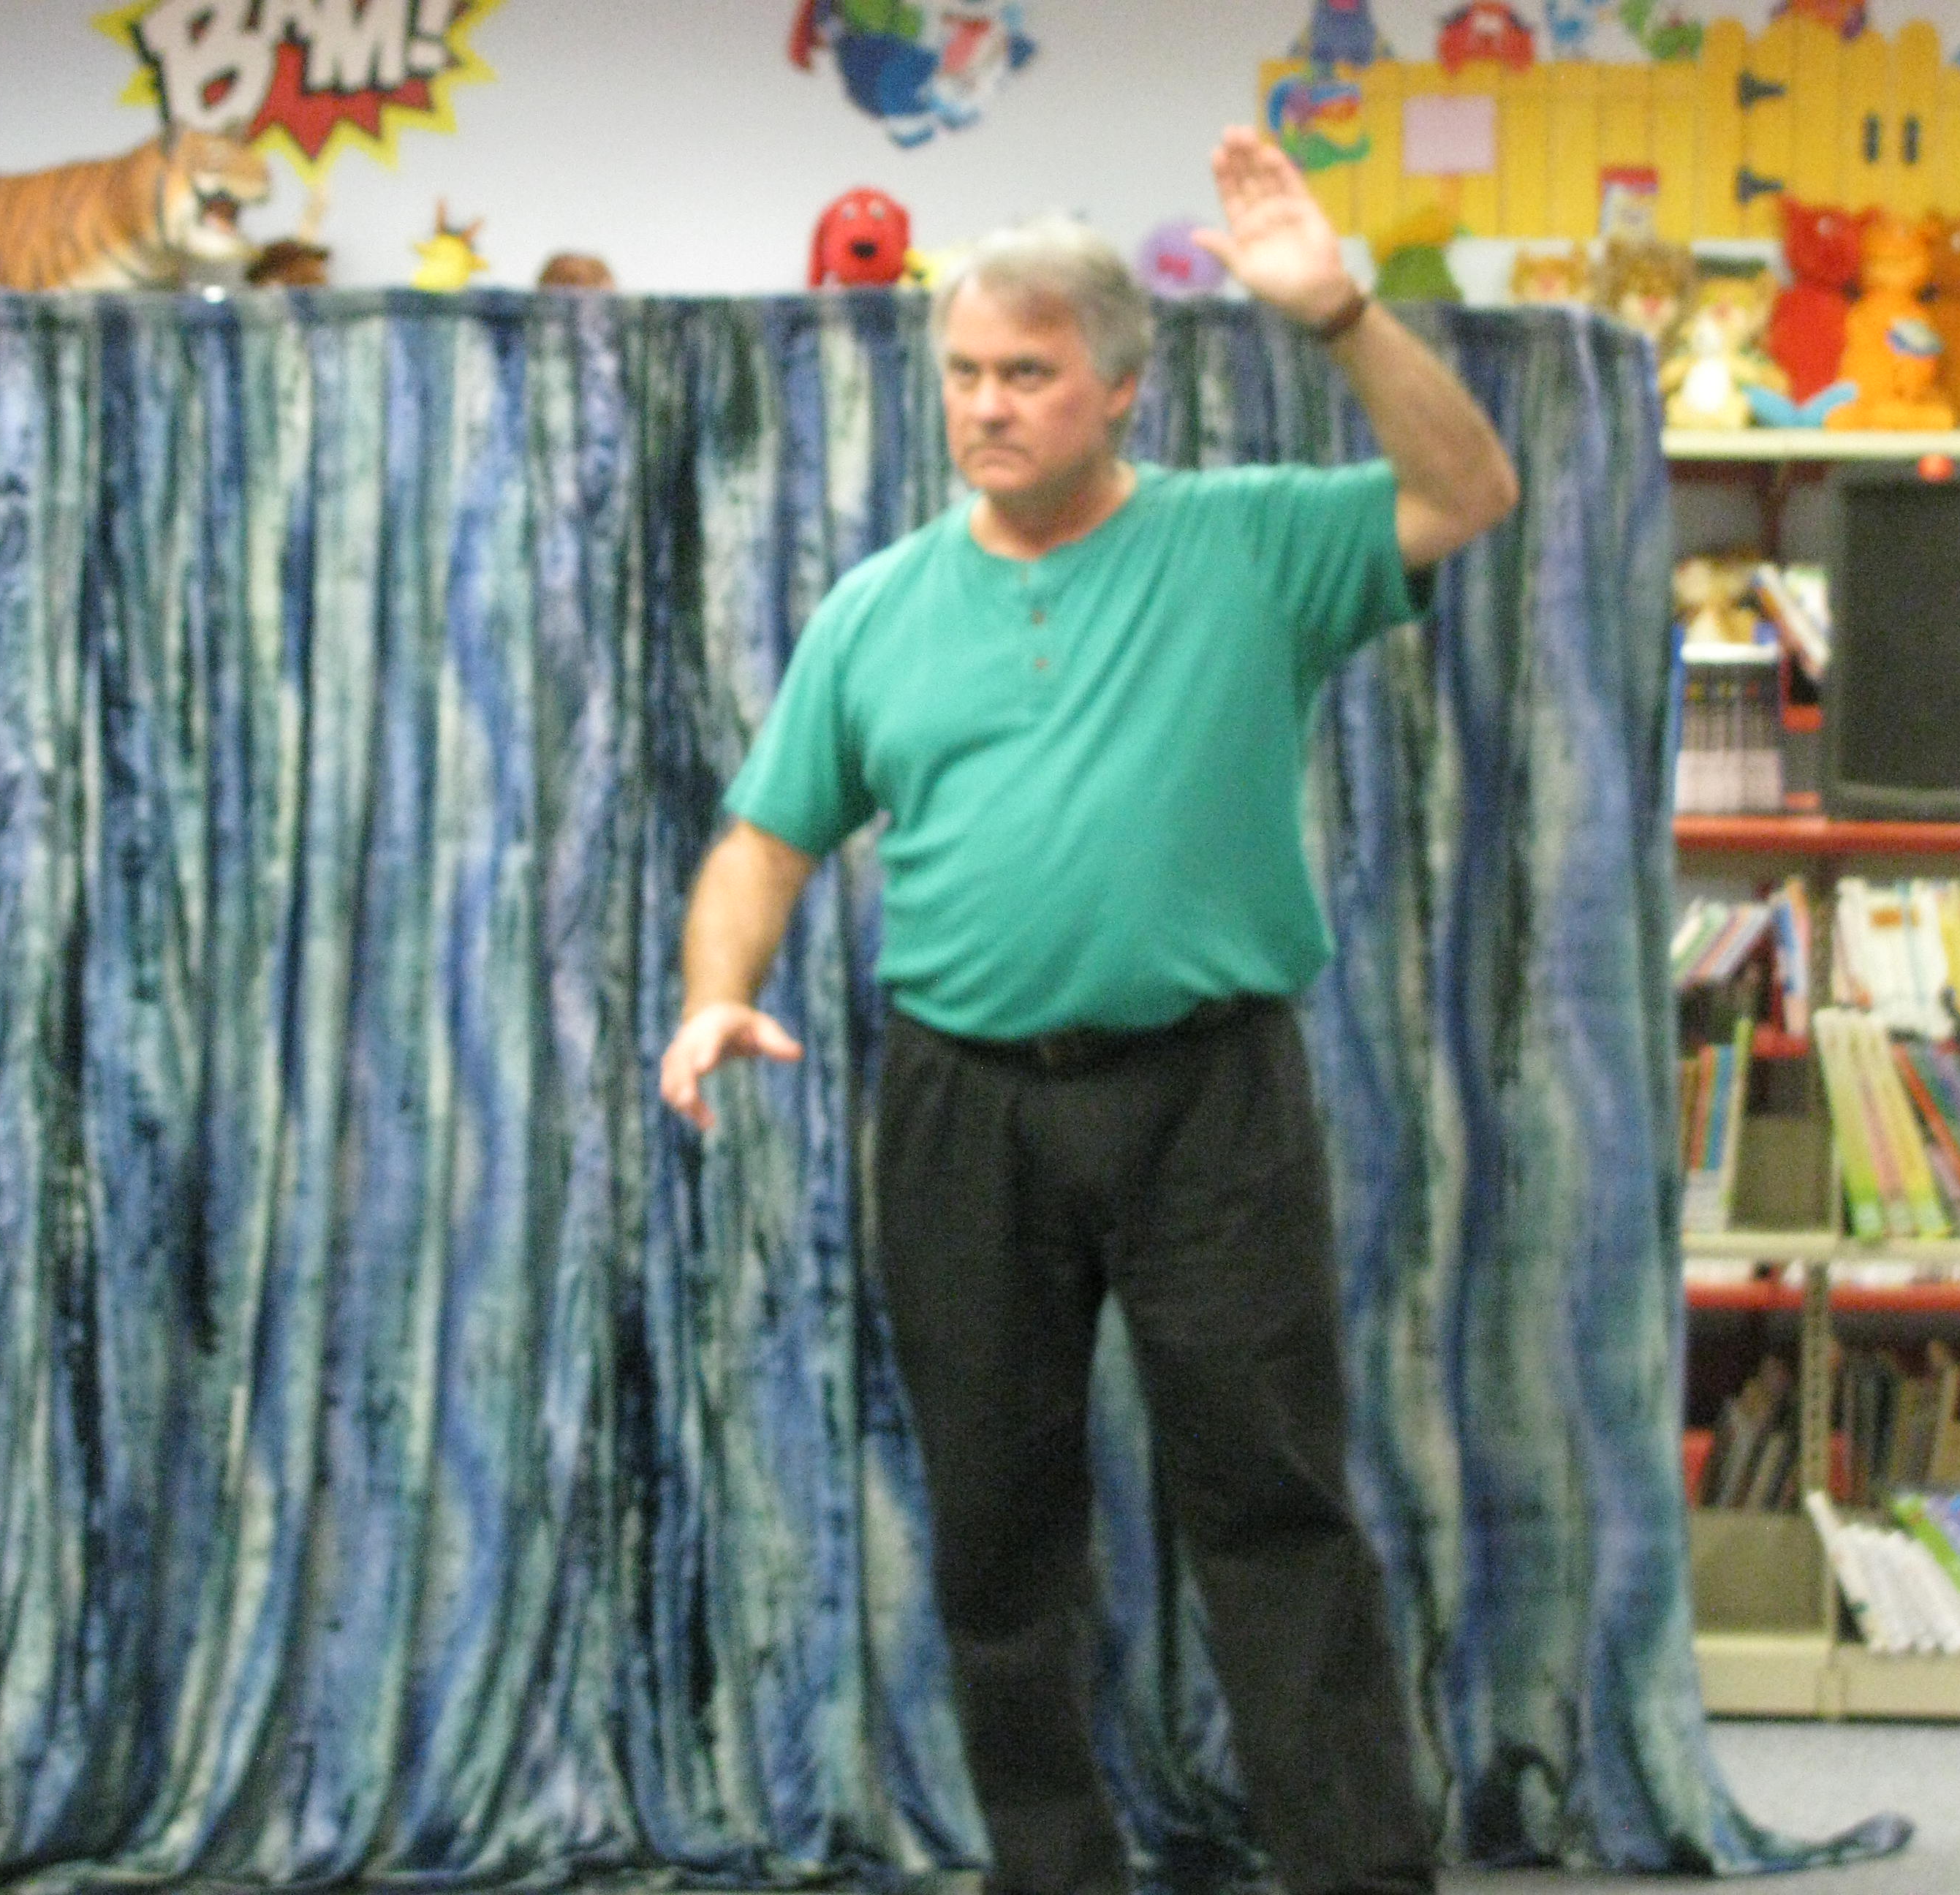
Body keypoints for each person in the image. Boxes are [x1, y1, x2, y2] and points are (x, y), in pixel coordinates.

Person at [659, 127, 1517, 1895]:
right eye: (966, 374)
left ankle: (1357, 1875)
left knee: (1272, 1512)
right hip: (963, 1110)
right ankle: (1054, 1872)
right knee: (998, 1528)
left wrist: (1340, 314)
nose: (987, 406)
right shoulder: (879, 609)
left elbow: (1468, 493)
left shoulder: (1251, 543)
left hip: (1209, 1100)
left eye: (1029, 374)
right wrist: (713, 996)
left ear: (1121, 389)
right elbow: (763, 840)